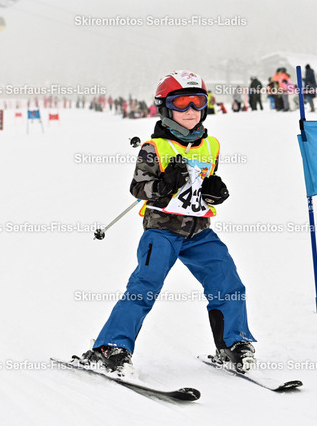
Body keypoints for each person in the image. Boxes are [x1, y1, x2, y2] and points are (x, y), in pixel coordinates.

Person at [79, 70, 257, 376]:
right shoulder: (154, 148)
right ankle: (109, 348)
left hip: (199, 232)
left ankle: (233, 343)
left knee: (227, 279)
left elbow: (204, 185)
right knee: (145, 285)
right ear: (165, 107)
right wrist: (163, 185)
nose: (190, 110)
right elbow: (138, 189)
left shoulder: (211, 146)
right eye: (181, 103)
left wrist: (214, 193)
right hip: (162, 231)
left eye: (197, 102)